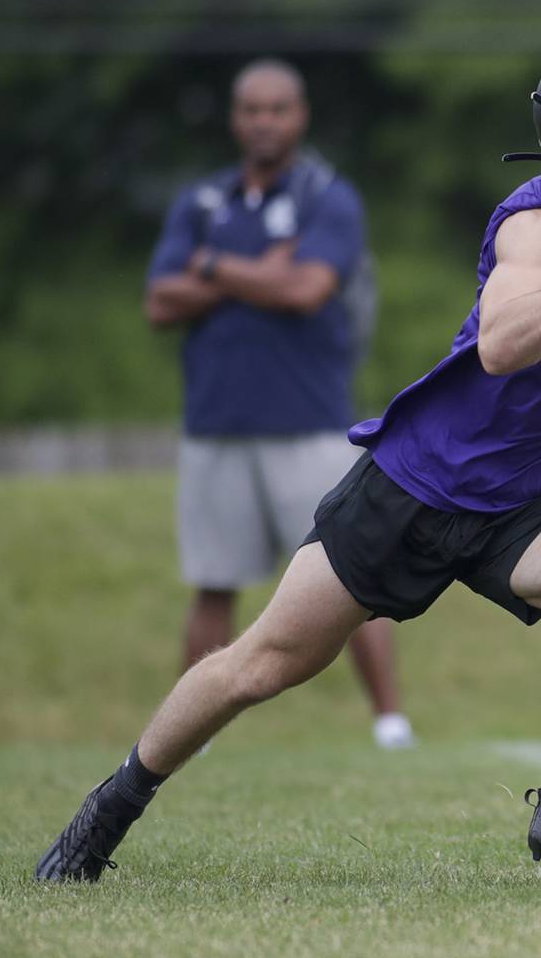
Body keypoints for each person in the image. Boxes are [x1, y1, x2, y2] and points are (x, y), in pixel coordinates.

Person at [35, 26, 541, 882]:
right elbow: (503, 345)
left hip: (532, 501)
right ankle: (109, 807)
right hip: (417, 483)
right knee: (261, 665)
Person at [141, 58, 415, 752]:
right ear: (236, 119)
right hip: (216, 423)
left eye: (278, 109)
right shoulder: (202, 200)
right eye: (251, 110)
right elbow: (158, 301)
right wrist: (255, 270)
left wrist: (211, 268)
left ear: (300, 116)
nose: (264, 121)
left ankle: (390, 722)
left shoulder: (330, 197)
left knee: (351, 578)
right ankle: (187, 733)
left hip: (309, 422)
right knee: (213, 581)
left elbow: (305, 291)